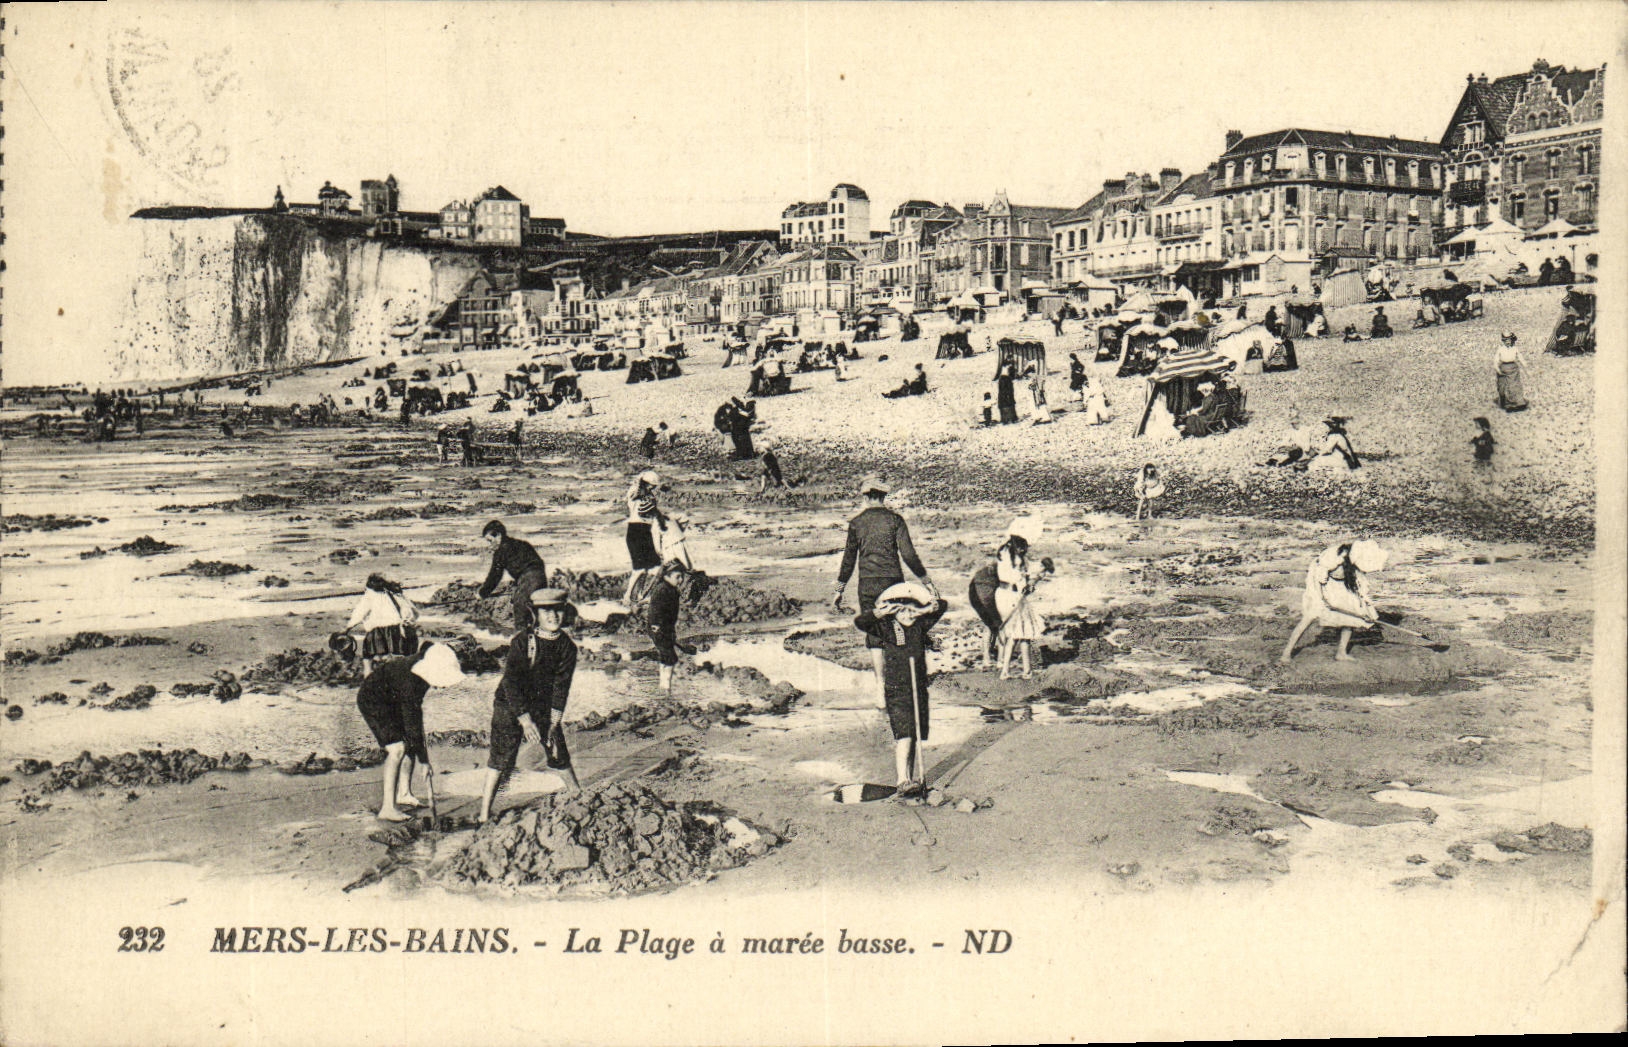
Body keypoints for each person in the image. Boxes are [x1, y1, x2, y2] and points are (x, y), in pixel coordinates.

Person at [480, 589, 580, 823]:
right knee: (501, 758)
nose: (553, 616)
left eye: (557, 610)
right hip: (509, 703)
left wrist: (553, 724)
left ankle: (577, 794)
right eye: (546, 611)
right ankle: (484, 814)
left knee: (557, 751)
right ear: (535, 614)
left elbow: (560, 687)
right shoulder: (523, 642)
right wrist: (525, 721)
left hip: (542, 706)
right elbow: (510, 683)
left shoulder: (567, 647)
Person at [833, 476, 938, 693]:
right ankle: (901, 679)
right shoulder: (895, 520)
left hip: (868, 584)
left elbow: (848, 561)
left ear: (866, 497)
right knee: (897, 627)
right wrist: (926, 581)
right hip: (893, 582)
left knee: (874, 632)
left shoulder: (856, 523)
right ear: (883, 496)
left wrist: (839, 590)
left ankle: (880, 687)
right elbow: (909, 554)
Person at [852, 581, 947, 799]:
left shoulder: (919, 625)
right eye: (903, 611)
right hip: (897, 689)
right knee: (904, 734)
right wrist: (878, 612)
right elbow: (861, 622)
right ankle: (902, 780)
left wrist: (924, 608)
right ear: (895, 612)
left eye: (912, 611)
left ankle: (912, 777)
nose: (908, 616)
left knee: (914, 735)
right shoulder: (885, 627)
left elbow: (941, 606)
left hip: (918, 687)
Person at [355, 642, 465, 822]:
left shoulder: (426, 665)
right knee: (397, 749)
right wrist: (424, 762)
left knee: (409, 743)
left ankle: (404, 793)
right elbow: (412, 721)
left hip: (392, 697)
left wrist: (423, 757)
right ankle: (388, 808)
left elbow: (415, 717)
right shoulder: (412, 681)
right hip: (373, 699)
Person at [1280, 540, 1387, 664]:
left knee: (1351, 613)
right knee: (1310, 615)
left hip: (1340, 583)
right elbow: (1318, 578)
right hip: (1320, 583)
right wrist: (1322, 599)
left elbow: (1359, 590)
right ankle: (1286, 653)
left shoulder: (1356, 565)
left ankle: (1341, 653)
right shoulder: (1335, 558)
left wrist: (1364, 612)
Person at [994, 519, 1045, 680]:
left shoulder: (1003, 551)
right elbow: (1020, 578)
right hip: (1013, 596)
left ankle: (1005, 667)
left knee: (1014, 633)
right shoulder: (1016, 557)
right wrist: (1032, 581)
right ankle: (1022, 670)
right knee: (1022, 634)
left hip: (1002, 594)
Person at [477, 520, 549, 629]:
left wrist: (483, 593)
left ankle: (521, 639)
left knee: (520, 608)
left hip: (530, 578)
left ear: (498, 535)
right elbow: (535, 563)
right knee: (536, 610)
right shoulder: (521, 544)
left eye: (490, 541)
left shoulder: (501, 551)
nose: (490, 545)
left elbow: (495, 576)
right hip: (541, 577)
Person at [345, 573, 420, 676]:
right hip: (398, 630)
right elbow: (415, 613)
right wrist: (407, 621)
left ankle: (369, 684)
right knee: (399, 661)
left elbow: (358, 614)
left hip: (378, 632)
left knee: (368, 661)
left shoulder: (369, 596)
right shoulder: (395, 594)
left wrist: (347, 628)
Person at [646, 560, 693, 694]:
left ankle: (662, 686)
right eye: (677, 576)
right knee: (670, 658)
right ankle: (666, 690)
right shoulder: (662, 590)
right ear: (667, 576)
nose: (681, 580)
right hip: (658, 628)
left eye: (682, 576)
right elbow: (654, 610)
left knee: (666, 656)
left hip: (665, 628)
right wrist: (656, 627)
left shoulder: (670, 589)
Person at [623, 470, 665, 607]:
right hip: (637, 531)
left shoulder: (638, 494)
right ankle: (628, 596)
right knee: (639, 568)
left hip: (642, 531)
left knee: (646, 568)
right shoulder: (641, 496)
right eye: (652, 486)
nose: (654, 488)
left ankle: (640, 594)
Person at [967, 557, 1003, 670]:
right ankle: (997, 660)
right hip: (984, 593)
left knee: (991, 625)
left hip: (974, 593)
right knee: (999, 626)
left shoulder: (988, 568)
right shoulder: (1002, 566)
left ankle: (988, 656)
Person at [1494, 330, 1528, 412]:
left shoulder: (1515, 349)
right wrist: (1497, 369)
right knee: (1505, 387)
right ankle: (1508, 404)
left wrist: (1526, 367)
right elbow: (1496, 360)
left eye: (1509, 340)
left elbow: (1520, 358)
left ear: (1511, 340)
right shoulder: (1500, 349)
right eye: (1505, 340)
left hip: (1513, 369)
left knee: (1515, 386)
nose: (1507, 342)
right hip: (1503, 369)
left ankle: (1518, 403)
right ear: (1503, 341)